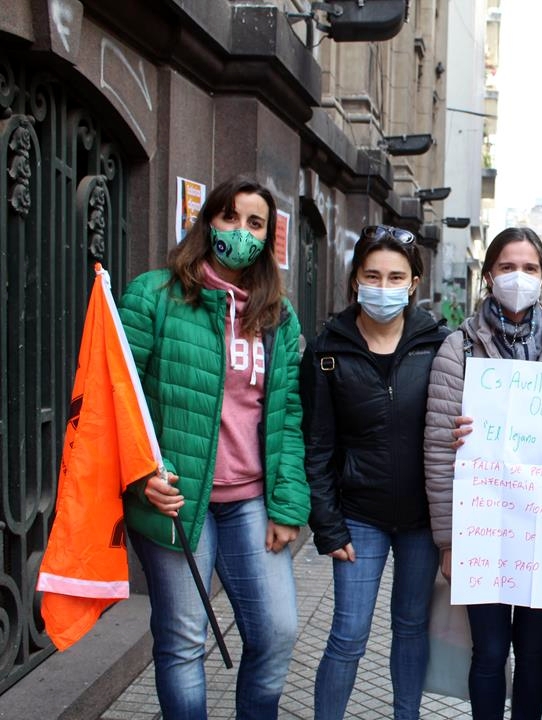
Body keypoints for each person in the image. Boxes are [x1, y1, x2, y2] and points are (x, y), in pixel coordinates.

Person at [118, 176, 310, 718]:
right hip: (177, 500)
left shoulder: (277, 314)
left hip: (250, 500)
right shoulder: (153, 296)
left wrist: (288, 505)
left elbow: (289, 415)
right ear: (208, 223)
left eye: (256, 224)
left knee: (277, 631)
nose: (241, 232)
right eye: (230, 218)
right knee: (183, 643)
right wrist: (140, 476)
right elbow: (119, 401)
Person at [424, 226, 542, 720]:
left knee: (534, 651)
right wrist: (448, 541)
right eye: (508, 267)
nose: (519, 277)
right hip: (484, 530)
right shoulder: (459, 349)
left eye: (530, 268)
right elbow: (437, 451)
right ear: (488, 275)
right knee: (489, 652)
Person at [302, 225, 449, 720]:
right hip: (358, 517)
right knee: (348, 633)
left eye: (395, 277)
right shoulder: (327, 349)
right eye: (372, 275)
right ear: (355, 280)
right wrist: (327, 523)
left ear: (413, 283)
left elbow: (460, 426)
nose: (382, 287)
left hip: (423, 521)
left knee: (410, 627)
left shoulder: (441, 346)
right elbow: (318, 444)